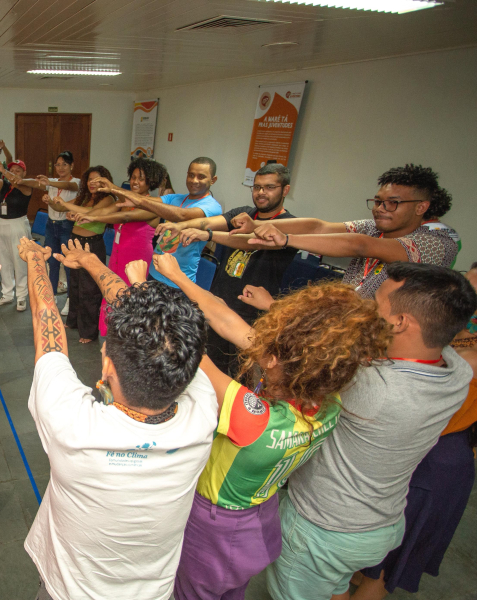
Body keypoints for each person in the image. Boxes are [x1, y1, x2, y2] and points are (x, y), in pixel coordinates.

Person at [144, 253, 390, 600]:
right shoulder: (330, 403)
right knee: (230, 589)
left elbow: (183, 350)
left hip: (215, 526)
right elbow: (225, 319)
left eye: (270, 350)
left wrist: (144, 287)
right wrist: (179, 278)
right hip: (259, 518)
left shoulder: (254, 419)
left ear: (278, 359)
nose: (261, 351)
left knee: (193, 591)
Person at [265, 262, 477, 600]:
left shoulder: (373, 390)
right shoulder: (456, 370)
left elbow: (290, 365)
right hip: (382, 523)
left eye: (376, 302)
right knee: (335, 588)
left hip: (324, 529)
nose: (366, 308)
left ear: (400, 322)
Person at [23, 237, 219, 600]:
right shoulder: (204, 408)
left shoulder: (72, 424)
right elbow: (157, 327)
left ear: (107, 366)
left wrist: (36, 260)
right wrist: (94, 263)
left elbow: (46, 320)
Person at [352, 262, 477, 599]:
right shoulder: (450, 358)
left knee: (377, 572)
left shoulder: (460, 361)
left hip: (434, 465)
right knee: (362, 565)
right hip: (412, 464)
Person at [232, 164, 458, 300]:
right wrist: (257, 225)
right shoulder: (375, 226)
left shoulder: (437, 243)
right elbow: (319, 227)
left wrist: (287, 239)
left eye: (393, 203)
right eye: (378, 201)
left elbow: (360, 245)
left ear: (421, 207)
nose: (380, 209)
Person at [160, 163, 298, 376]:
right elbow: (207, 221)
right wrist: (181, 226)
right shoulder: (243, 214)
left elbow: (254, 241)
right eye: (257, 187)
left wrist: (208, 235)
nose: (261, 193)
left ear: (285, 190)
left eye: (269, 187)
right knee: (207, 371)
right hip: (219, 306)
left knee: (238, 379)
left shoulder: (289, 226)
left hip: (252, 318)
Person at [76, 156, 166, 336]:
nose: (135, 182)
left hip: (137, 258)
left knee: (130, 299)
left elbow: (125, 218)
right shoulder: (124, 202)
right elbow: (105, 211)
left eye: (141, 178)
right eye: (133, 177)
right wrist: (84, 213)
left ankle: (128, 339)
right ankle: (110, 337)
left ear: (151, 182)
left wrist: (95, 218)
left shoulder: (153, 204)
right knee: (110, 291)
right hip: (118, 256)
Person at [108, 157, 223, 286]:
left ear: (213, 180)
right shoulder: (175, 198)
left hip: (178, 280)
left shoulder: (212, 206)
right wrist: (129, 196)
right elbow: (145, 200)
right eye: (191, 175)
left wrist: (113, 187)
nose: (194, 180)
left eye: (201, 177)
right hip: (155, 272)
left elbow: (182, 215)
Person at [41, 166, 119, 342]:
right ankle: (74, 320)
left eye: (97, 180)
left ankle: (89, 332)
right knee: (74, 284)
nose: (92, 183)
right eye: (89, 180)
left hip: (91, 246)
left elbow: (90, 214)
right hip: (75, 242)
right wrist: (53, 203)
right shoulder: (84, 197)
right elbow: (62, 207)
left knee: (89, 289)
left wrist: (68, 206)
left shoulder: (108, 199)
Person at [18, 151, 81, 295]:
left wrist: (49, 183)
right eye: (58, 165)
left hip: (67, 226)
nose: (60, 167)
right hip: (51, 226)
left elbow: (68, 186)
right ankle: (51, 296)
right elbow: (35, 183)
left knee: (68, 264)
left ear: (72, 166)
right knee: (52, 262)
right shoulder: (51, 182)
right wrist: (21, 180)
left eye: (64, 164)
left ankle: (71, 300)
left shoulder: (76, 182)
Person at [0, 159, 34, 311]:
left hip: (18, 224)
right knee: (3, 260)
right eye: (12, 169)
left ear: (24, 173)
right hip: (1, 224)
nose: (14, 172)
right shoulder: (4, 185)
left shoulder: (27, 185)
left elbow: (16, 181)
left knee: (20, 261)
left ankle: (22, 296)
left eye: (18, 170)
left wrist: (4, 171)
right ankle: (7, 293)